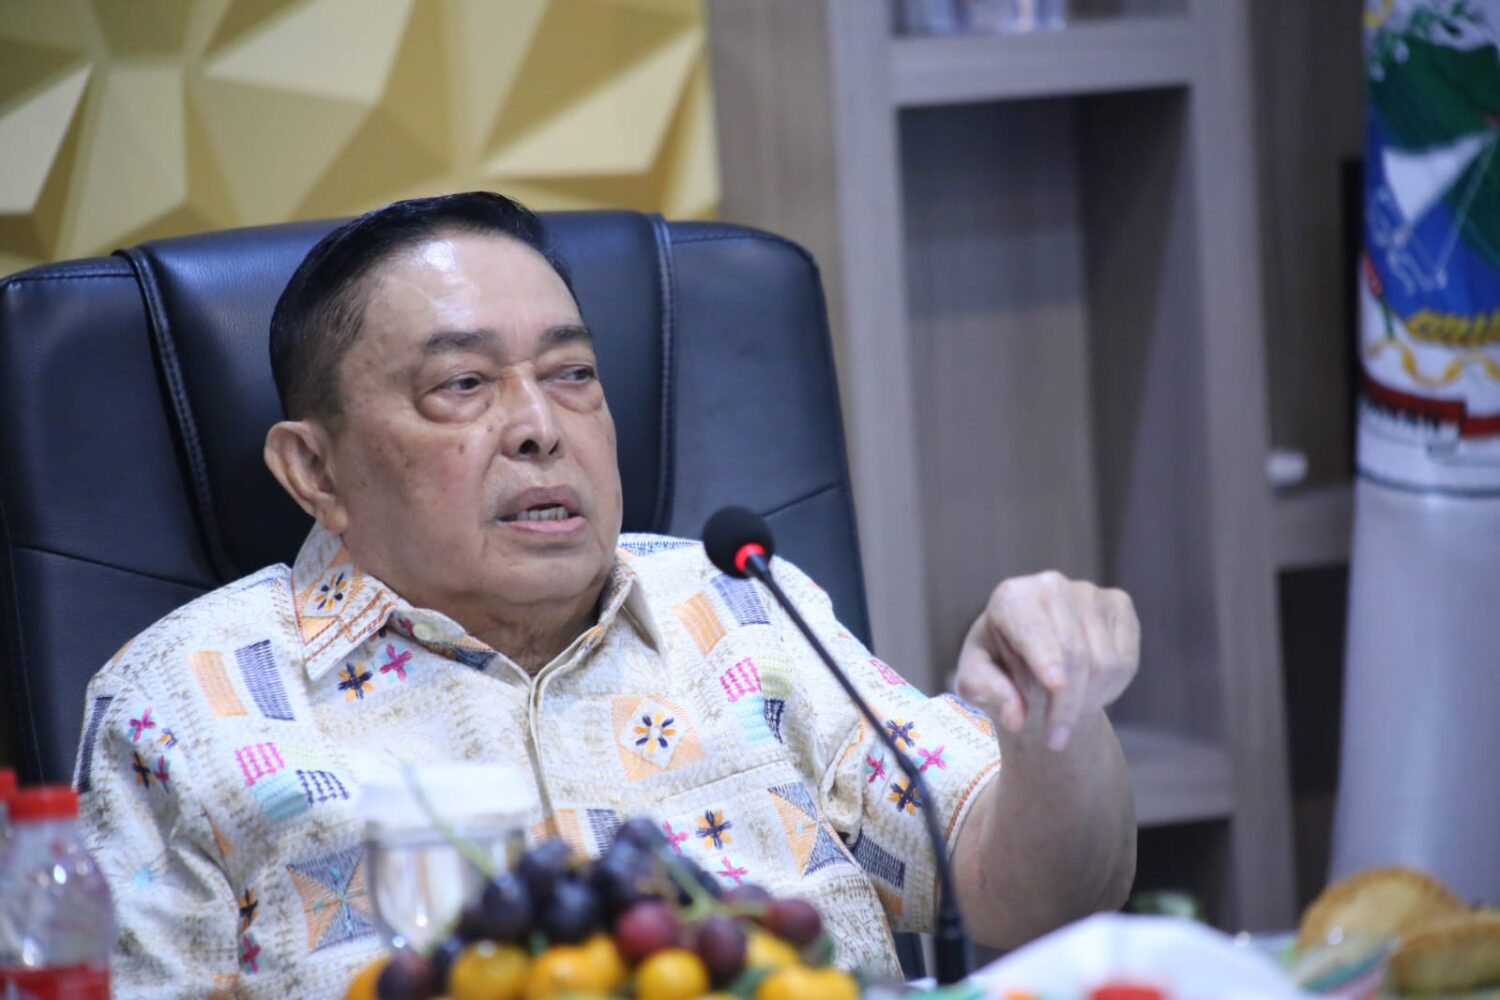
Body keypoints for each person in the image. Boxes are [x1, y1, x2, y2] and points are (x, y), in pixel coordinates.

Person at [75, 192, 1139, 998]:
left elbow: (1041, 896)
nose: (541, 427)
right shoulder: (182, 704)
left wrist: (1057, 718)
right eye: (462, 385)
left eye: (573, 373)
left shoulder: (742, 605)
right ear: (315, 470)